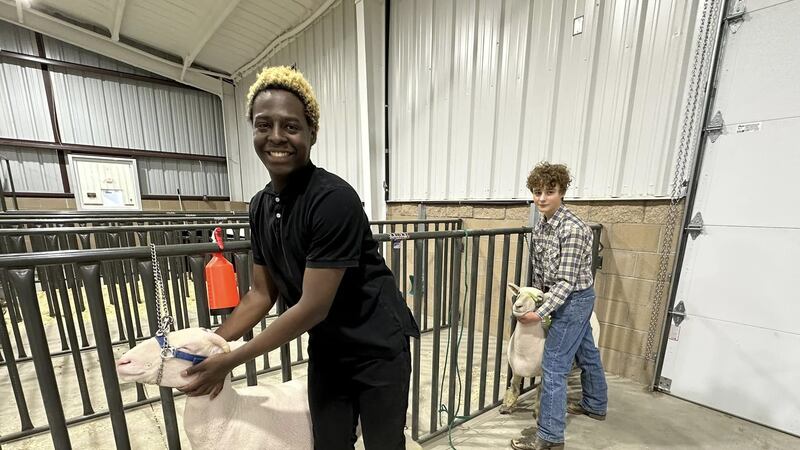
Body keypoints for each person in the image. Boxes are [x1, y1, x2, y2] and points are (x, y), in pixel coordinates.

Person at [181, 65, 420, 450]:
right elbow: (261, 293)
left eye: (291, 126)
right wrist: (211, 344)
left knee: (383, 443)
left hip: (376, 347)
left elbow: (312, 306)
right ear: (253, 130)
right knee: (328, 441)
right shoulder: (260, 205)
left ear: (311, 133)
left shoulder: (332, 199)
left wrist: (231, 360)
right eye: (264, 125)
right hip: (328, 349)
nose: (277, 137)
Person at [510, 162, 608, 450]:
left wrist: (538, 313)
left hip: (575, 300)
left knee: (554, 366)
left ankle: (550, 438)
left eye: (549, 192)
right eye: (537, 192)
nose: (542, 198)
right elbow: (541, 275)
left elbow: (565, 283)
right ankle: (595, 404)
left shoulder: (573, 229)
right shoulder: (541, 227)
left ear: (562, 192)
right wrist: (538, 297)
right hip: (559, 297)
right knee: (587, 351)